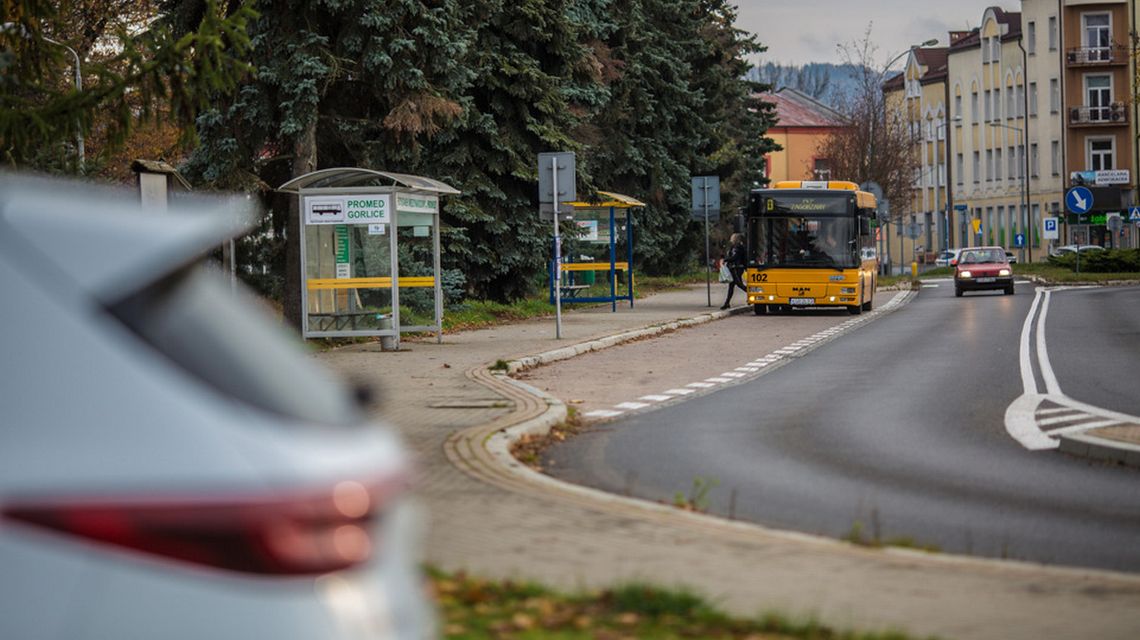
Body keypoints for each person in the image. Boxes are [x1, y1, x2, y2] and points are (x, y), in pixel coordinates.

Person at [720, 233, 746, 309]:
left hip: (737, 268)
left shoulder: (739, 247)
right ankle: (727, 303)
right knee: (732, 286)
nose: (731, 238)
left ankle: (752, 294)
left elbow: (735, 257)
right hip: (733, 268)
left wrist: (725, 259)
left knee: (738, 284)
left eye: (732, 237)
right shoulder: (733, 247)